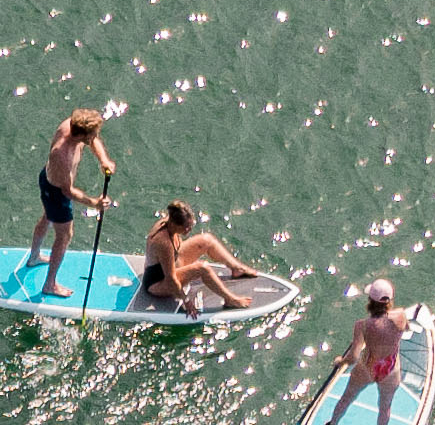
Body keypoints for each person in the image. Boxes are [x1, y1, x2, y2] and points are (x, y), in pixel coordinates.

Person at [24, 108, 119, 290]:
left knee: (47, 218)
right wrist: (95, 203)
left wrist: (104, 160)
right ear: (82, 135)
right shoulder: (62, 154)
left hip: (50, 180)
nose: (96, 137)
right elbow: (67, 191)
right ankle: (50, 284)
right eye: (93, 134)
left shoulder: (72, 125)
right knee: (64, 236)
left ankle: (34, 257)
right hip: (56, 193)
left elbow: (93, 140)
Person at [318, 283, 415, 425]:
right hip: (390, 370)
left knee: (346, 399)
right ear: (390, 300)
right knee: (385, 408)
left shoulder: (362, 325)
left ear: (370, 300)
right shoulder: (400, 316)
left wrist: (341, 361)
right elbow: (405, 329)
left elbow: (353, 357)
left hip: (367, 368)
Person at [138, 201, 267, 313]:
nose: (188, 230)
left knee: (207, 240)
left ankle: (237, 268)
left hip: (173, 263)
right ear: (174, 224)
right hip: (158, 283)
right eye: (186, 227)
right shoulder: (164, 243)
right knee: (202, 268)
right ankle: (230, 299)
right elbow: (171, 279)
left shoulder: (171, 220)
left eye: (190, 226)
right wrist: (186, 301)